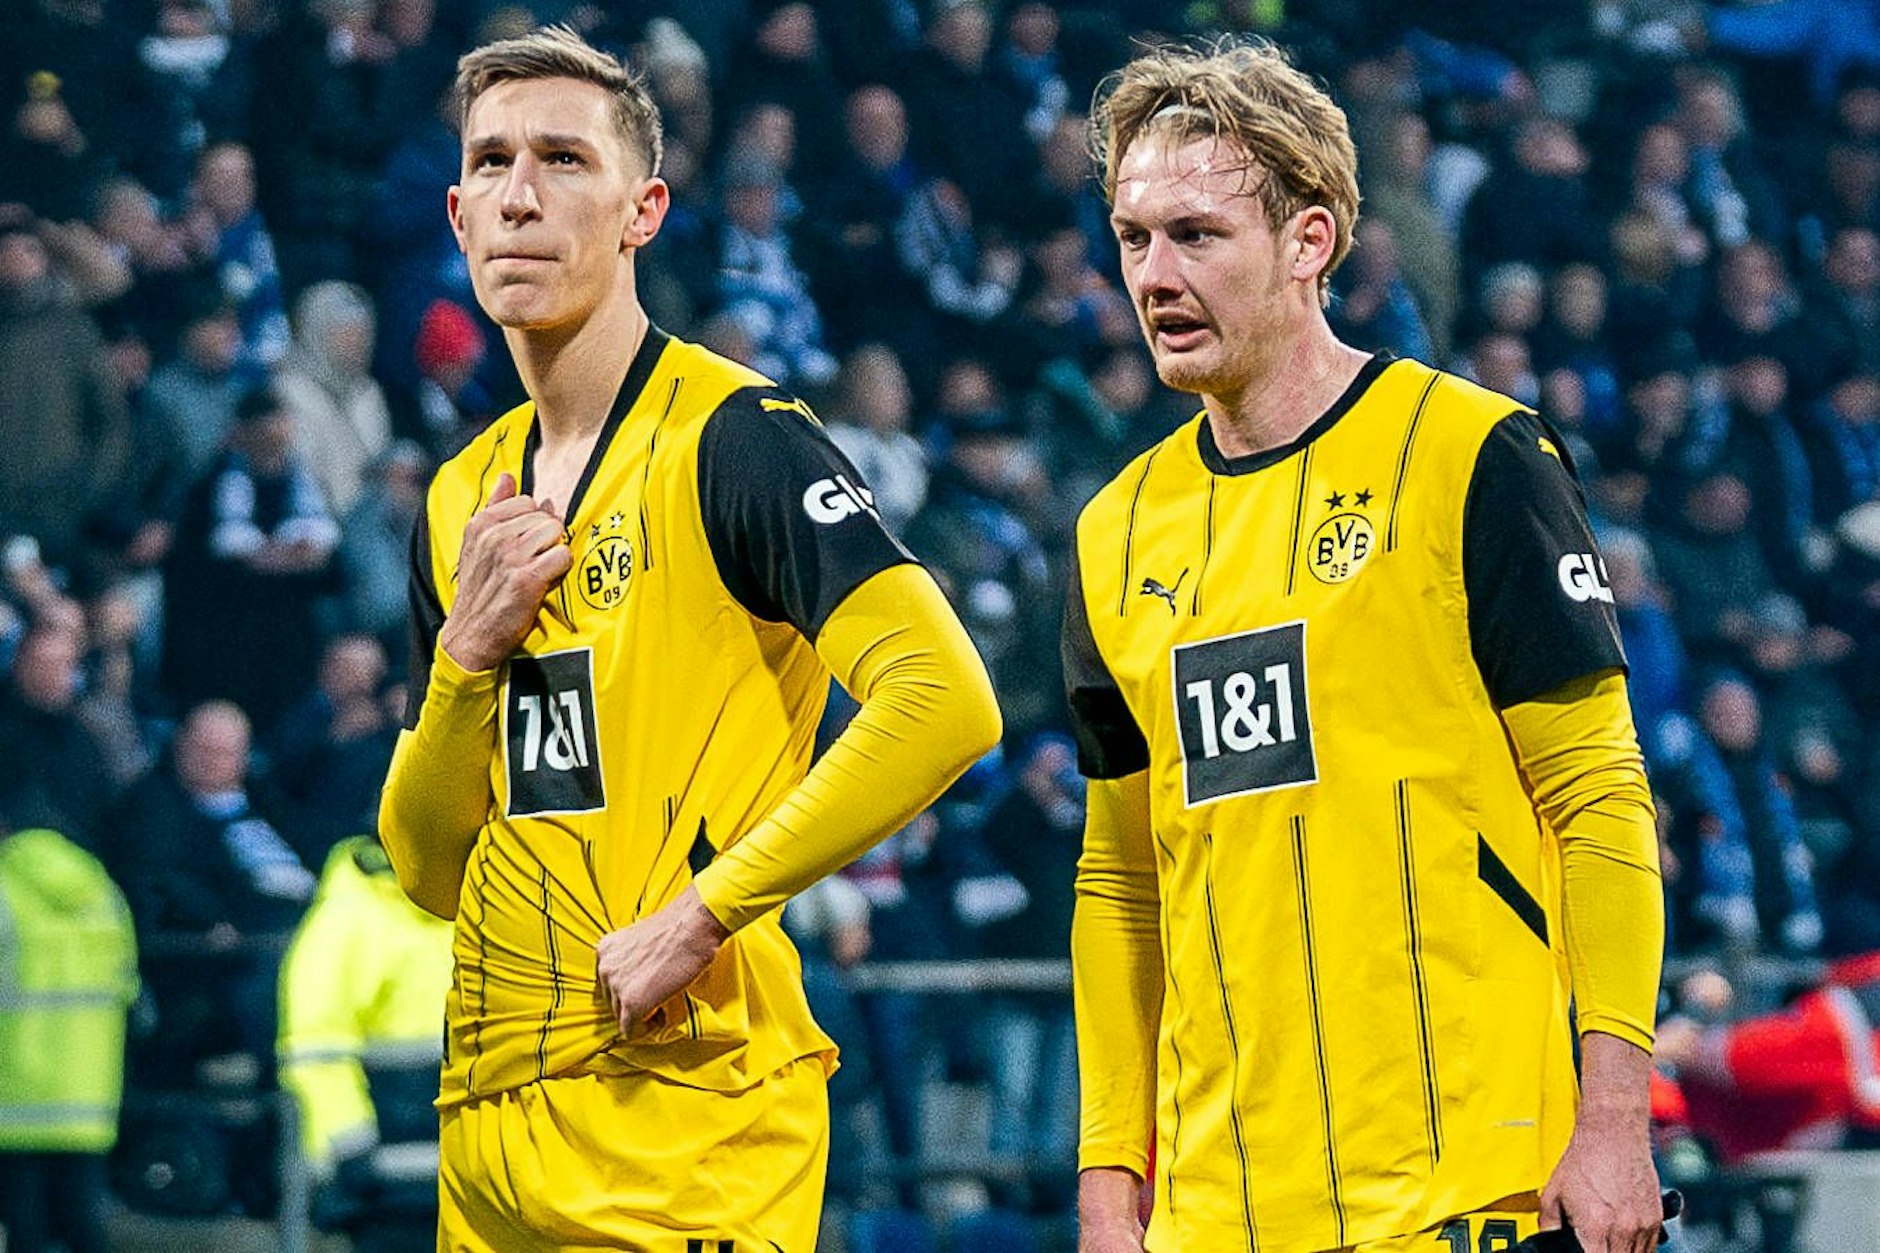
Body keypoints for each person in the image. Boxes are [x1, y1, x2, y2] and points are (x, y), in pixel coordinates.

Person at [377, 27, 1001, 1253]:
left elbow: (944, 699)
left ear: (643, 211)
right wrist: (464, 660)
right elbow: (426, 865)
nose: (519, 195)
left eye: (564, 159)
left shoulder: (735, 437)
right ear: (455, 215)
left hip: (682, 1117)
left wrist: (703, 914)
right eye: (491, 163)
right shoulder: (459, 498)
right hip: (488, 1124)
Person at [1061, 42, 1666, 1253]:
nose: (1155, 276)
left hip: (1470, 1182)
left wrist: (1613, 1117)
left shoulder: (1472, 456)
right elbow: (1120, 879)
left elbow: (1598, 797)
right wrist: (1106, 1175)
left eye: (1196, 235)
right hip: (1215, 1206)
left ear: (1309, 241)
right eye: (1133, 239)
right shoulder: (1110, 531)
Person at [278, 832, 455, 1251]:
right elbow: (316, 1049)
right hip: (386, 1188)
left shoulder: (467, 910)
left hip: (468, 1176)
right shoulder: (350, 918)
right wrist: (351, 1149)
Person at [0, 770, 139, 1253]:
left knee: (25, 1229)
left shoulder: (4, 887)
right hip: (88, 1093)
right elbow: (127, 981)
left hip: (13, 1094)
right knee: (83, 1223)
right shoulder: (100, 888)